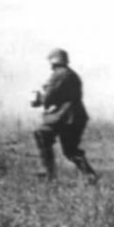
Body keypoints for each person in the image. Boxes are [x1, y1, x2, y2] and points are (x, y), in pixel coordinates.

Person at [30, 48, 98, 182]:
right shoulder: (69, 74)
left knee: (41, 134)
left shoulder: (60, 74)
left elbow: (49, 96)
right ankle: (89, 175)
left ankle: (48, 172)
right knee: (70, 150)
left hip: (65, 116)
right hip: (75, 116)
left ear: (53, 61)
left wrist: (39, 100)